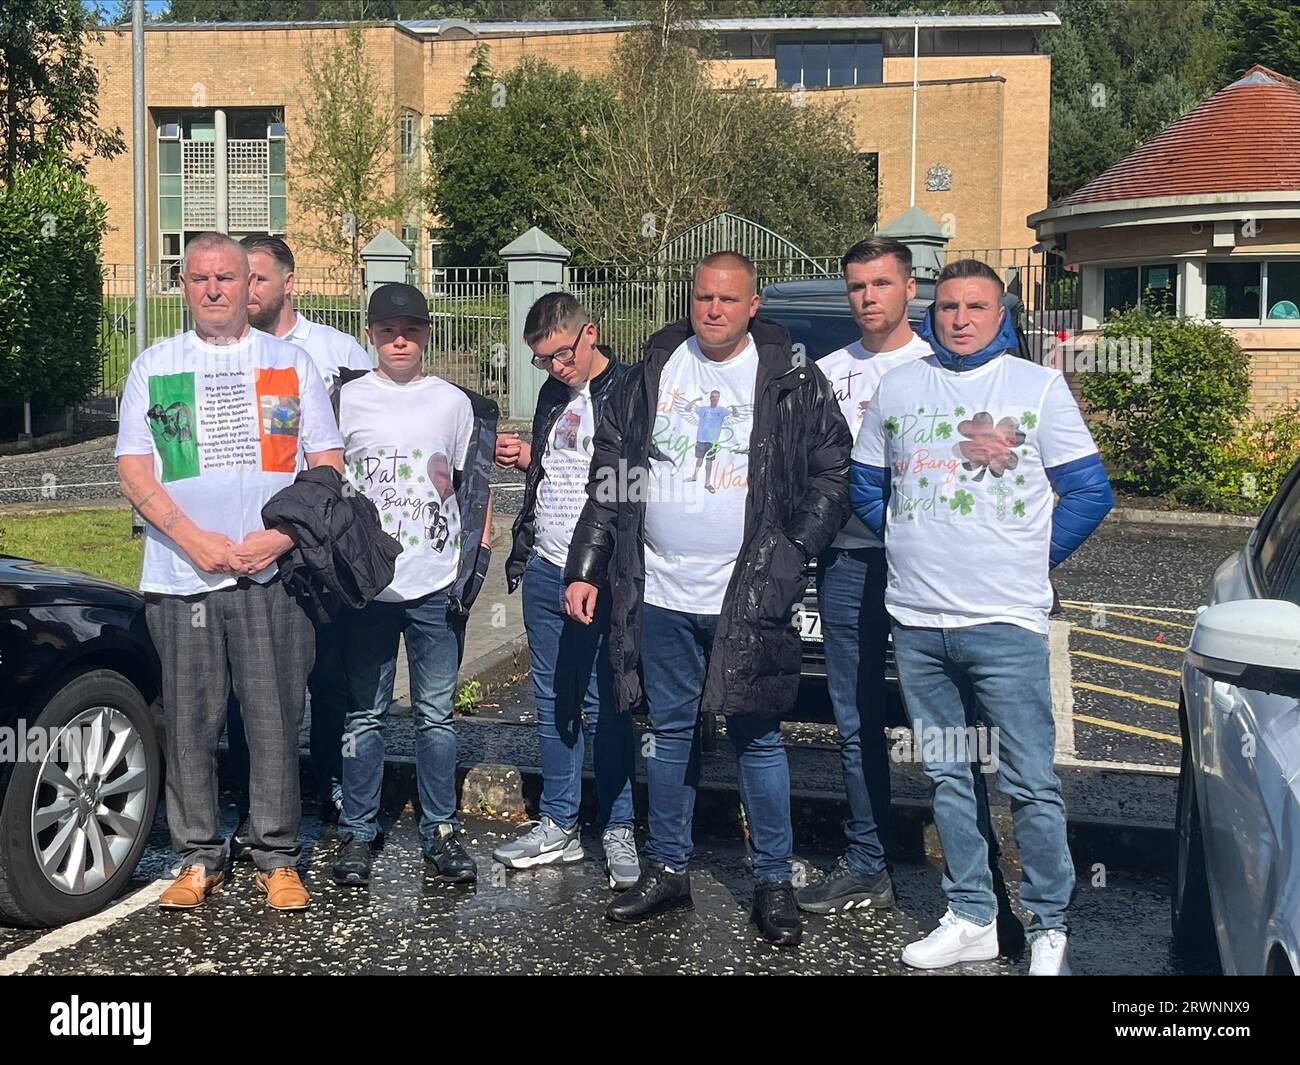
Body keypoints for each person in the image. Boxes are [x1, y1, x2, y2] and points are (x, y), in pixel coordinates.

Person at [564, 251, 851, 945]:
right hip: (658, 590)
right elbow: (612, 470)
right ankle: (668, 869)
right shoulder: (652, 373)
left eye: (728, 299)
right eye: (703, 297)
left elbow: (832, 473)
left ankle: (773, 880)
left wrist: (791, 554)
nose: (713, 309)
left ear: (753, 305)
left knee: (757, 737)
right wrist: (586, 564)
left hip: (747, 594)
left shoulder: (791, 377)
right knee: (668, 737)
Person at [851, 258, 1113, 974]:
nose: (960, 319)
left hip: (1005, 623)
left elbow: (1090, 492)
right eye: (948, 307)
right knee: (948, 776)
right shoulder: (898, 387)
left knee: (1029, 780)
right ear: (932, 313)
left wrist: (1032, 560)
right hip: (919, 619)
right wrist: (907, 541)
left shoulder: (1037, 387)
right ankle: (972, 913)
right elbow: (868, 487)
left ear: (1002, 315)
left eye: (976, 307)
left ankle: (1050, 922)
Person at [115, 232, 343, 911]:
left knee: (273, 719)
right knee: (189, 721)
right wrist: (195, 539)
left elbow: (326, 462)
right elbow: (133, 468)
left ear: (252, 286)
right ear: (182, 287)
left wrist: (279, 537)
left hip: (272, 575)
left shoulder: (289, 363)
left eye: (226, 277)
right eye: (198, 278)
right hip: (183, 575)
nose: (213, 288)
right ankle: (197, 856)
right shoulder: (155, 367)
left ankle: (277, 856)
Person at [329, 283, 494, 888]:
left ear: (427, 334)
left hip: (433, 582)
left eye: (412, 330)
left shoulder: (454, 403)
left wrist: (475, 550)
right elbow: (323, 479)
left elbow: (470, 487)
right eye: (388, 330)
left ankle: (441, 832)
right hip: (368, 585)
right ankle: (359, 829)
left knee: (436, 715)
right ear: (371, 334)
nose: (400, 340)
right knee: (365, 714)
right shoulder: (344, 399)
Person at [795, 237, 930, 915]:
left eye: (881, 283)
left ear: (909, 287)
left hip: (929, 563)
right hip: (848, 558)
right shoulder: (824, 371)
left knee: (948, 719)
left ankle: (977, 874)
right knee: (856, 717)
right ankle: (869, 861)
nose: (868, 297)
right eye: (857, 286)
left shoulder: (940, 365)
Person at [222, 235, 373, 837]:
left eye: (257, 278)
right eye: (240, 278)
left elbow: (361, 437)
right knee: (248, 681)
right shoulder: (226, 354)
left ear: (289, 282)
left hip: (316, 539)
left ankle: (331, 784)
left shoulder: (337, 352)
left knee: (326, 671)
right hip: (249, 541)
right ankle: (247, 800)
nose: (246, 290)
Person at [494, 292, 639, 889]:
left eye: (562, 353)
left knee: (608, 700)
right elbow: (563, 470)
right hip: (547, 566)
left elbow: (625, 485)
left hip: (601, 573)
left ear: (591, 334)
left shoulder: (629, 393)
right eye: (543, 360)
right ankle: (559, 821)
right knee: (553, 696)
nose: (555, 368)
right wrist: (530, 458)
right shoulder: (556, 396)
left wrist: (597, 567)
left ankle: (619, 824)